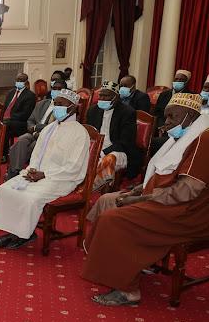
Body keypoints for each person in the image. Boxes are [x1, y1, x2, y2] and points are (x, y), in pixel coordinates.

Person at [82, 93, 209, 306]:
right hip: (178, 204)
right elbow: (168, 177)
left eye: (172, 117)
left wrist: (140, 200)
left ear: (190, 116)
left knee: (114, 220)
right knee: (112, 210)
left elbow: (187, 191)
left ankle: (129, 292)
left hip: (190, 212)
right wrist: (139, 194)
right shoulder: (190, 135)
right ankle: (131, 264)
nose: (166, 122)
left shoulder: (204, 139)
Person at [0, 89, 90, 249]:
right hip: (38, 174)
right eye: (55, 104)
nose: (56, 107)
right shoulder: (49, 128)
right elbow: (36, 154)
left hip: (62, 179)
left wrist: (44, 174)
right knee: (4, 190)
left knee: (29, 198)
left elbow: (74, 167)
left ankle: (23, 234)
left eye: (61, 104)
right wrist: (32, 170)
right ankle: (13, 232)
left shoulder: (80, 133)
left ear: (72, 107)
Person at [5, 79, 67, 181]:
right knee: (21, 140)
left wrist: (36, 128)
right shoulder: (42, 103)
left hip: (49, 136)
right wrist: (33, 130)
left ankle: (26, 173)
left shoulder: (63, 108)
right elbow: (30, 120)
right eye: (54, 88)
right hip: (33, 133)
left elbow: (56, 125)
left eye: (59, 89)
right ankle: (15, 172)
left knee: (32, 148)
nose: (56, 90)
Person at [86, 81, 141, 191]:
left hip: (119, 151)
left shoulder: (127, 112)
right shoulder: (93, 110)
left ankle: (92, 189)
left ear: (115, 97)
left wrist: (102, 153)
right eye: (100, 95)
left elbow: (125, 142)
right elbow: (89, 135)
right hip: (96, 149)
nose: (101, 98)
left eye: (106, 96)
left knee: (108, 160)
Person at [2, 72, 37, 146]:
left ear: (26, 82)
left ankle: (3, 153)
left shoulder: (30, 95)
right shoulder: (11, 92)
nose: (19, 82)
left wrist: (9, 117)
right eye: (17, 80)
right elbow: (5, 107)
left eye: (21, 80)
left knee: (4, 126)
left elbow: (25, 114)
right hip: (6, 119)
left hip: (20, 122)